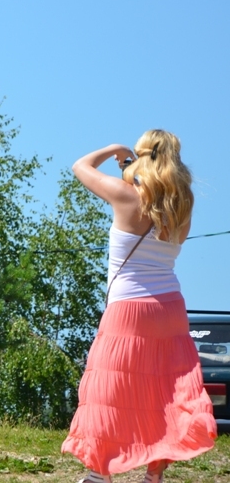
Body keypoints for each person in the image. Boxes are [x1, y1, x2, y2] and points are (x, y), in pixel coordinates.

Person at [61, 130, 216, 483]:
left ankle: (98, 474)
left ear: (142, 156)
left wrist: (116, 150)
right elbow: (157, 205)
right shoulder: (183, 204)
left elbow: (80, 166)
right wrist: (139, 171)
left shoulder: (124, 195)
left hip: (128, 308)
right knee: (163, 389)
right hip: (170, 308)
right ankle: (154, 474)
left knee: (109, 390)